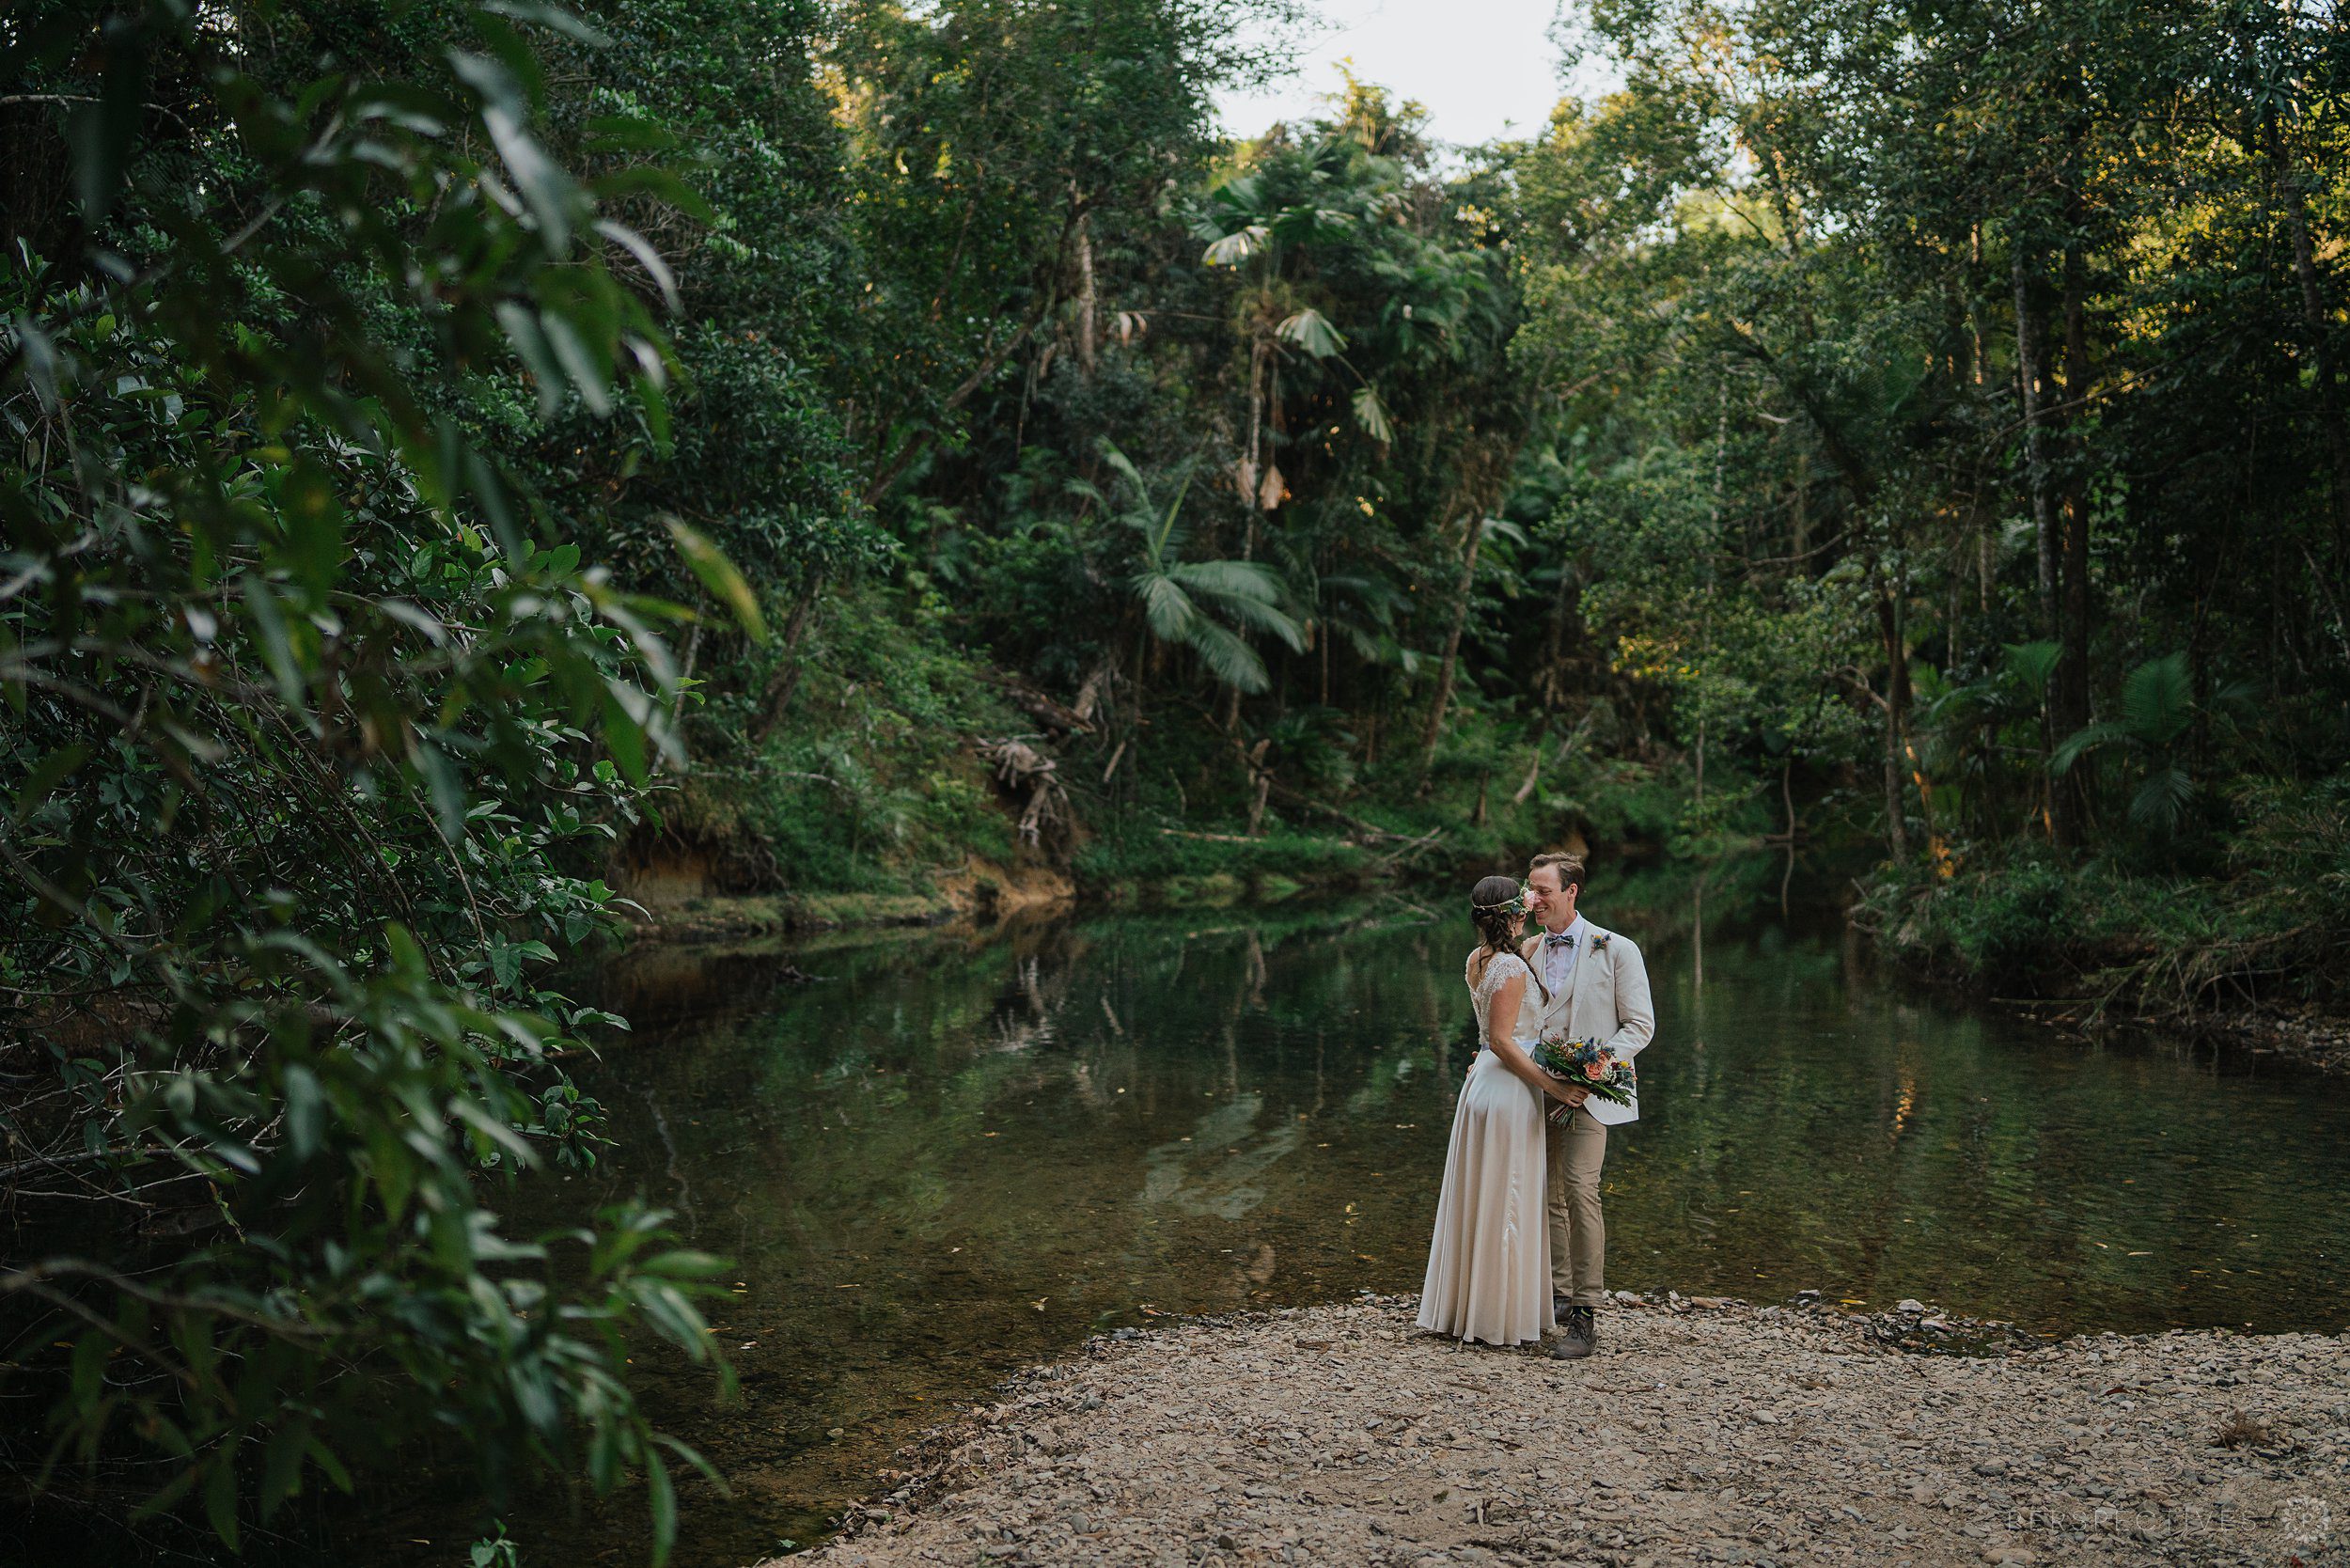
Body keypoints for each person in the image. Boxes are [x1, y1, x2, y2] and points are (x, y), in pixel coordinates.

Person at [1417, 875, 1590, 1346]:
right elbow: (1502, 1040)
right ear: (1510, 912)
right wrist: (1553, 1085)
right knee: (1509, 1194)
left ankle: (1468, 1305)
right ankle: (1498, 1316)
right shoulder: (1511, 970)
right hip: (1510, 1087)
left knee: (1483, 1193)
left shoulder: (1480, 959)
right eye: (1523, 901)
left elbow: (1493, 1033)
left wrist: (1544, 928)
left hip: (1481, 1086)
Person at [1519, 851, 1655, 1359]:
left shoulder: (1617, 949)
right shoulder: (1528, 949)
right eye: (1530, 890)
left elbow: (1640, 1026)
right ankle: (1557, 1295)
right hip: (1534, 1089)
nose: (1533, 900)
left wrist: (1591, 1067)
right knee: (1547, 1194)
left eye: (1543, 890)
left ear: (1571, 891)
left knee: (1581, 1191)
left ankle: (1586, 1315)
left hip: (1589, 1094)